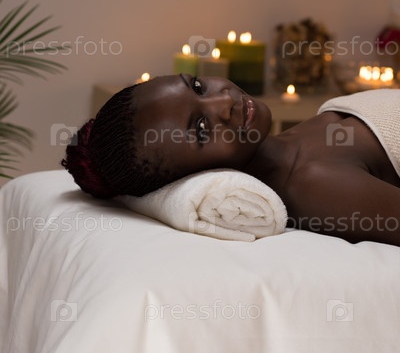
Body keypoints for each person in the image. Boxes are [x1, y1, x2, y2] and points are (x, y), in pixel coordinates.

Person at [62, 74, 400, 246]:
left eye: (197, 86)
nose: (223, 102)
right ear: (194, 177)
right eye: (201, 129)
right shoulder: (313, 184)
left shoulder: (297, 141)